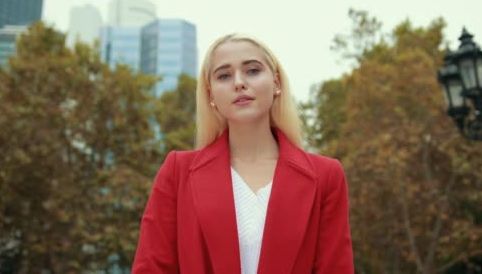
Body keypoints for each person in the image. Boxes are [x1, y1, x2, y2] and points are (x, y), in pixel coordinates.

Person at [132, 33, 354, 273]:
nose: (238, 82)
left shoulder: (326, 176)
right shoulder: (177, 172)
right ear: (211, 95)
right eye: (224, 75)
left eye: (252, 70)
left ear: (276, 83)